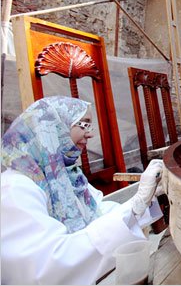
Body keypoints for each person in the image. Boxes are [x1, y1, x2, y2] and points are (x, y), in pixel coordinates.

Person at [1, 96, 164, 284]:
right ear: (52, 127)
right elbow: (47, 267)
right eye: (84, 124)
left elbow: (98, 213)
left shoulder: (67, 177)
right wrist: (134, 207)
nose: (90, 134)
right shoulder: (15, 189)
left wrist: (143, 200)